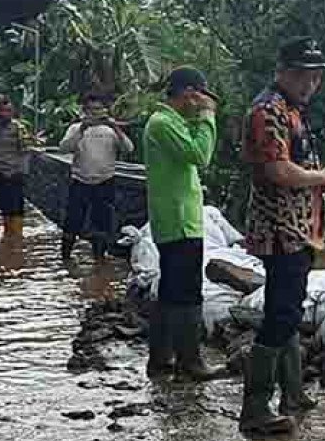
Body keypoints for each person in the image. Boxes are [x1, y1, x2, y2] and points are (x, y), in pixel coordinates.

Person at [237, 37, 325, 436]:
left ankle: (293, 392)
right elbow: (278, 171)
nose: (310, 83)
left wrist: (321, 179)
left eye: (316, 76)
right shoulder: (268, 111)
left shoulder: (291, 109)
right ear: (282, 71)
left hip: (300, 228)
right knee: (282, 312)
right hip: (281, 228)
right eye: (302, 75)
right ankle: (255, 408)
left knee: (290, 306)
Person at [143, 67, 225, 381]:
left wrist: (199, 116)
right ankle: (190, 362)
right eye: (200, 96)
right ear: (189, 93)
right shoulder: (163, 124)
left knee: (170, 290)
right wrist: (207, 117)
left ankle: (161, 359)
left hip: (176, 219)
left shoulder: (167, 122)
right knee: (187, 292)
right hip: (179, 221)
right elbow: (200, 154)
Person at [59, 91, 134, 260]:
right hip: (80, 181)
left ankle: (99, 262)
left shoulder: (110, 130)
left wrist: (116, 127)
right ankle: (65, 258)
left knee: (101, 224)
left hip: (105, 182)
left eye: (98, 109)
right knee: (72, 222)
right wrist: (82, 129)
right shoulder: (75, 128)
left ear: (104, 110)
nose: (95, 113)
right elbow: (63, 148)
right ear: (85, 111)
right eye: (91, 110)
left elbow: (129, 148)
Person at [0, 96, 34, 237]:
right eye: (2, 111)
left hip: (15, 173)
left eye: (8, 111)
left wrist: (22, 171)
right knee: (4, 207)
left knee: (16, 208)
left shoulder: (19, 128)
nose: (5, 113)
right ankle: (8, 236)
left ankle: (16, 238)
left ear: (12, 112)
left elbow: (26, 151)